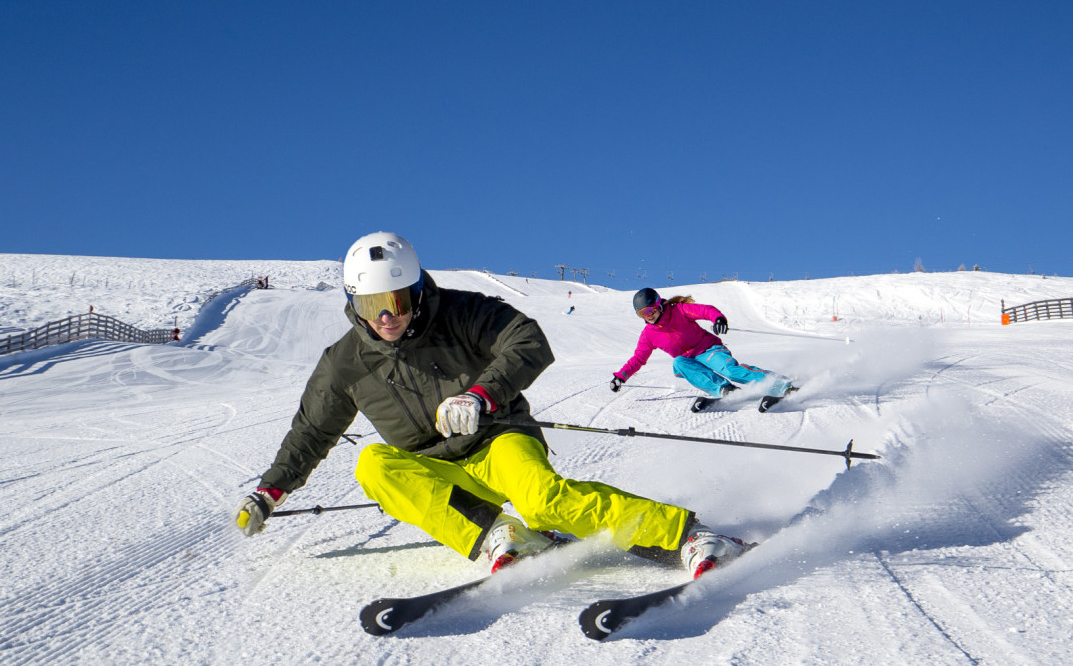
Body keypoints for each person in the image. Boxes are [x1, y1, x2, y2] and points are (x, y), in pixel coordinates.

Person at [234, 232, 746, 578]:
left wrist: (481, 394)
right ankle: (502, 535)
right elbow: (311, 430)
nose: (387, 317)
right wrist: (268, 492)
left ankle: (687, 535)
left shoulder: (457, 312)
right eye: (372, 306)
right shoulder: (344, 361)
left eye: (398, 301)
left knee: (545, 499)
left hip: (497, 437)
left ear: (415, 290)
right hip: (435, 466)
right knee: (373, 464)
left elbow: (528, 340)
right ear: (353, 303)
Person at [610, 288, 791, 400]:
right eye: (642, 313)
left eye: (649, 310)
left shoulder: (678, 310)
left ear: (658, 304)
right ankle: (724, 389)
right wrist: (621, 377)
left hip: (709, 349)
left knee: (730, 371)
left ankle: (782, 385)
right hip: (691, 360)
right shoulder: (649, 334)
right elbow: (638, 358)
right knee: (679, 363)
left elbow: (705, 310)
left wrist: (718, 318)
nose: (648, 315)